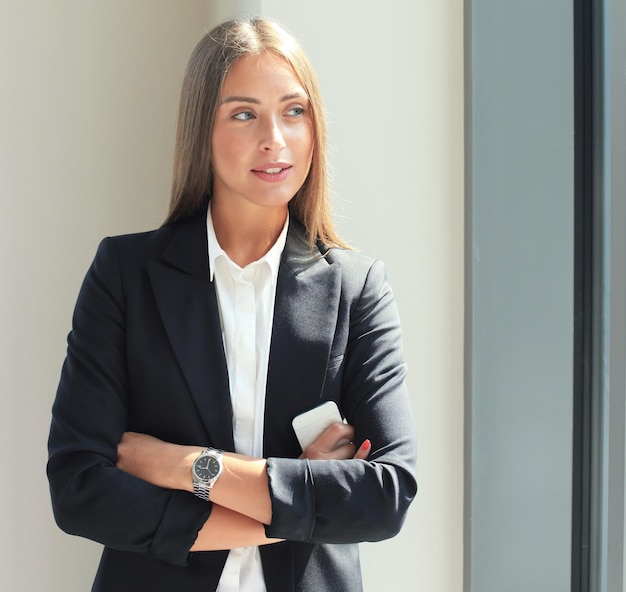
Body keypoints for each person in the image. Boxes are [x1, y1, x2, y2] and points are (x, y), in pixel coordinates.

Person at [47, 16, 417, 592]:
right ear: (203, 130)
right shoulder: (125, 275)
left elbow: (387, 494)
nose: (275, 138)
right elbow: (79, 489)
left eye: (294, 111)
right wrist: (301, 501)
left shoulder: (357, 287)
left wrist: (188, 467)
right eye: (244, 114)